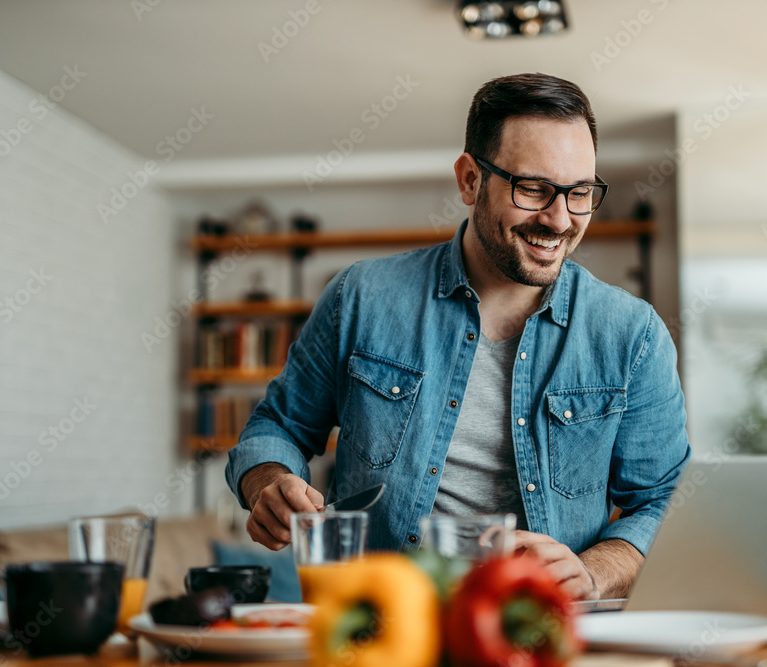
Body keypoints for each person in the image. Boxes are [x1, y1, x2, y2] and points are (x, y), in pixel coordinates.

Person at [226, 72, 690, 600]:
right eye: (533, 189)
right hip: (375, 629)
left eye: (580, 192)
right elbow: (278, 425)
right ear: (470, 179)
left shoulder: (633, 336)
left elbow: (664, 501)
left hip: (541, 632)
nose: (560, 220)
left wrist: (593, 571)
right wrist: (267, 481)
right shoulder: (362, 296)